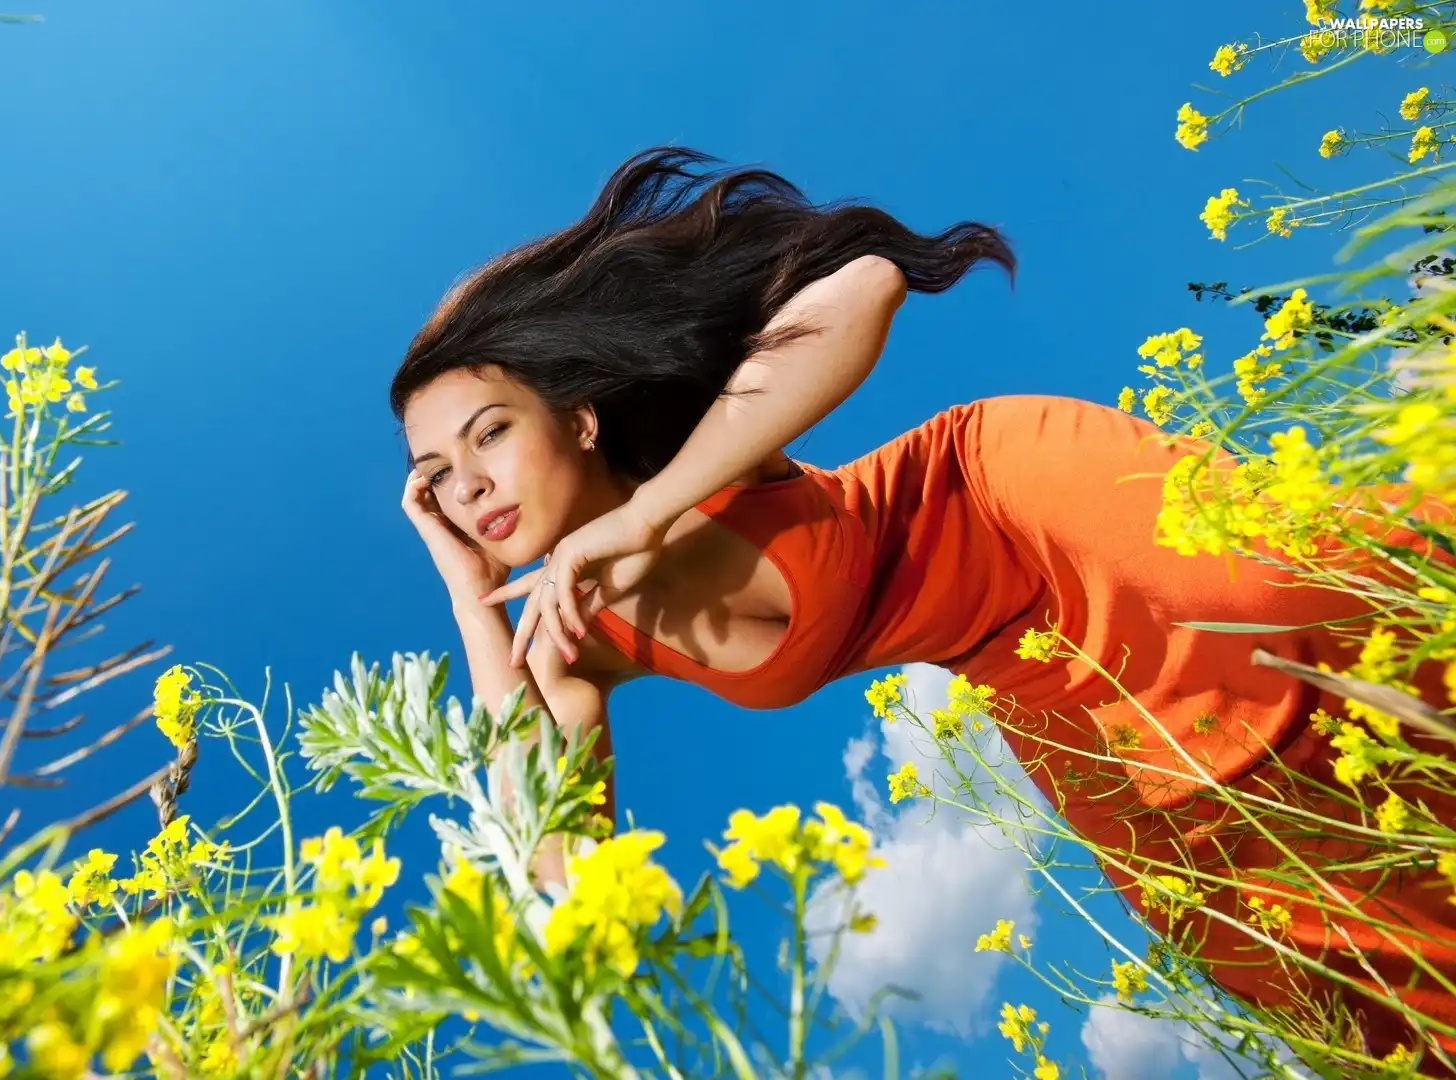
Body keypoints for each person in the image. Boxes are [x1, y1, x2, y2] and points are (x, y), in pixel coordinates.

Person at [389, 146, 1455, 1071]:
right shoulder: (576, 651)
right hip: (1013, 663)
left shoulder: (696, 455)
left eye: (489, 433)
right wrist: (469, 602)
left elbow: (861, 284)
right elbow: (555, 873)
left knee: (1288, 620)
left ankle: (1435, 359)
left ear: (577, 423)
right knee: (1245, 921)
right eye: (435, 474)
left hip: (1023, 501)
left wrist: (651, 512)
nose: (468, 484)